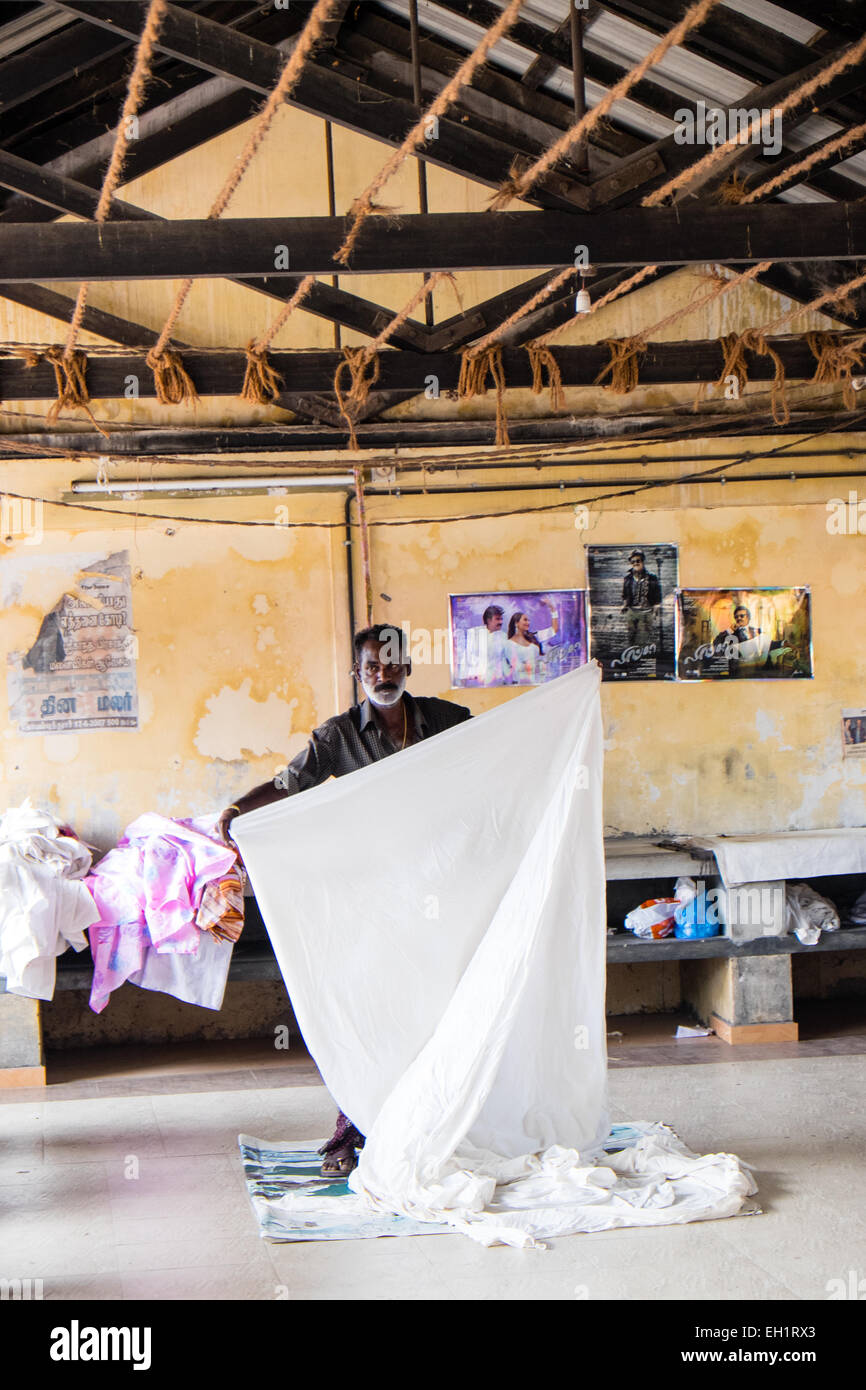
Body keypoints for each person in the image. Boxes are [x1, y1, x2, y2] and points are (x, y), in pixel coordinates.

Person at [217, 624, 471, 1176]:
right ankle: (350, 1133)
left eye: (393, 664)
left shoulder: (449, 720)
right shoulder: (337, 736)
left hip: (440, 890)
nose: (383, 674)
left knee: (439, 1008)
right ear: (357, 674)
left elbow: (493, 759)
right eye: (371, 667)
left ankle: (443, 1125)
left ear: (408, 667)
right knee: (371, 1009)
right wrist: (238, 811)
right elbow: (289, 786)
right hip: (374, 895)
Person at [504, 602, 559, 684]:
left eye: (528, 620)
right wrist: (538, 666)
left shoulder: (534, 636)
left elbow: (554, 630)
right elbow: (517, 667)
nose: (528, 623)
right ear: (516, 623)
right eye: (525, 620)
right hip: (522, 684)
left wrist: (553, 609)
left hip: (539, 682)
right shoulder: (509, 644)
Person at [620, 551, 662, 649]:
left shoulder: (652, 578)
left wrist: (656, 610)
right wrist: (624, 606)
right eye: (633, 561)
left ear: (643, 561)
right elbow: (625, 595)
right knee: (631, 637)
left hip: (646, 612)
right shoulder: (628, 578)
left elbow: (657, 595)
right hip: (631, 611)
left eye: (638, 561)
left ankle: (641, 659)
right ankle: (632, 659)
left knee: (642, 638)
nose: (635, 563)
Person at [459, 604, 507, 685]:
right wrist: (462, 680)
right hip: (476, 682)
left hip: (497, 682)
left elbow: (506, 660)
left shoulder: (503, 637)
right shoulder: (475, 634)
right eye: (497, 619)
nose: (501, 622)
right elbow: (466, 657)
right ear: (488, 620)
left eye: (501, 619)